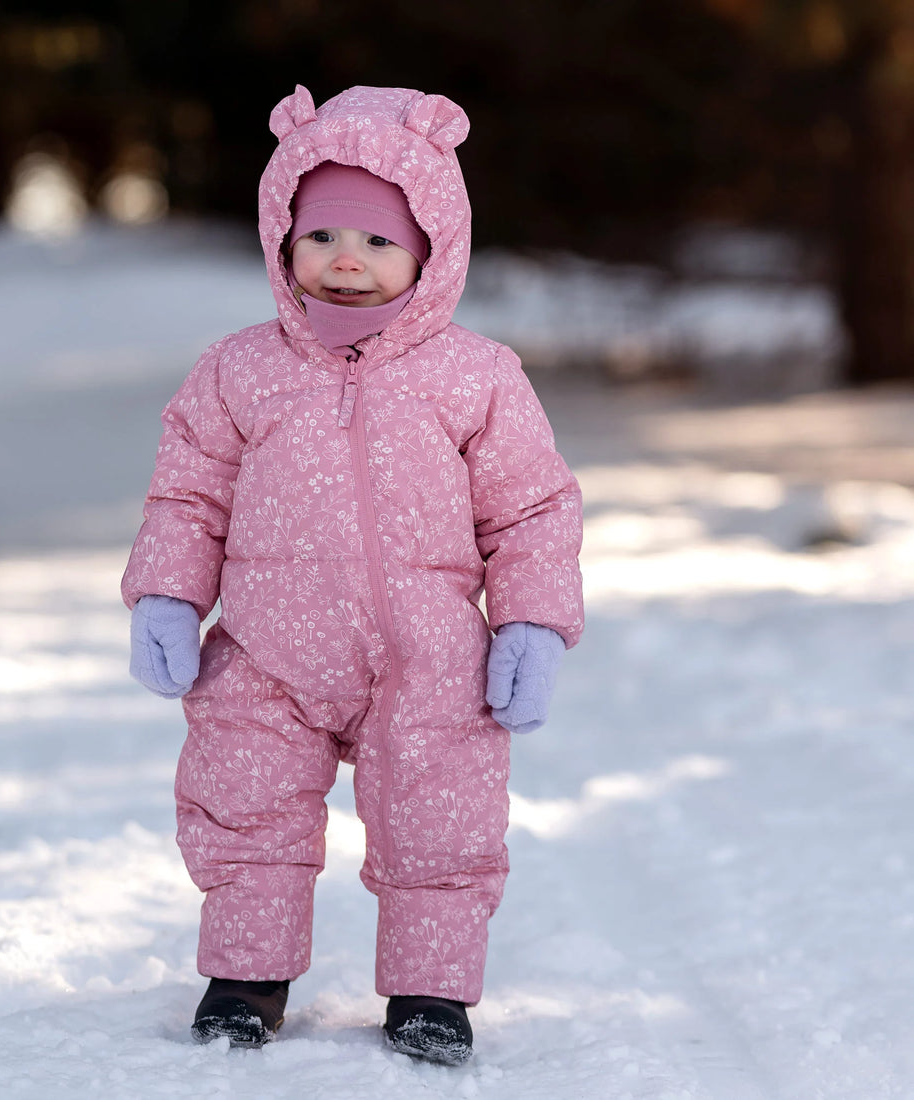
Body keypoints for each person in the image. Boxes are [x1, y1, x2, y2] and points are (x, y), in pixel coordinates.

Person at [122, 85, 583, 1066]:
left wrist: (530, 624)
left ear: (430, 246)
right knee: (241, 801)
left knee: (442, 813)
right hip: (264, 644)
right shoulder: (239, 369)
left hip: (427, 650)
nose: (344, 256)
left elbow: (530, 510)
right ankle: (246, 976)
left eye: (377, 240)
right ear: (280, 238)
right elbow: (187, 496)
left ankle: (431, 989)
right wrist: (166, 594)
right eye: (320, 231)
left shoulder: (475, 375)